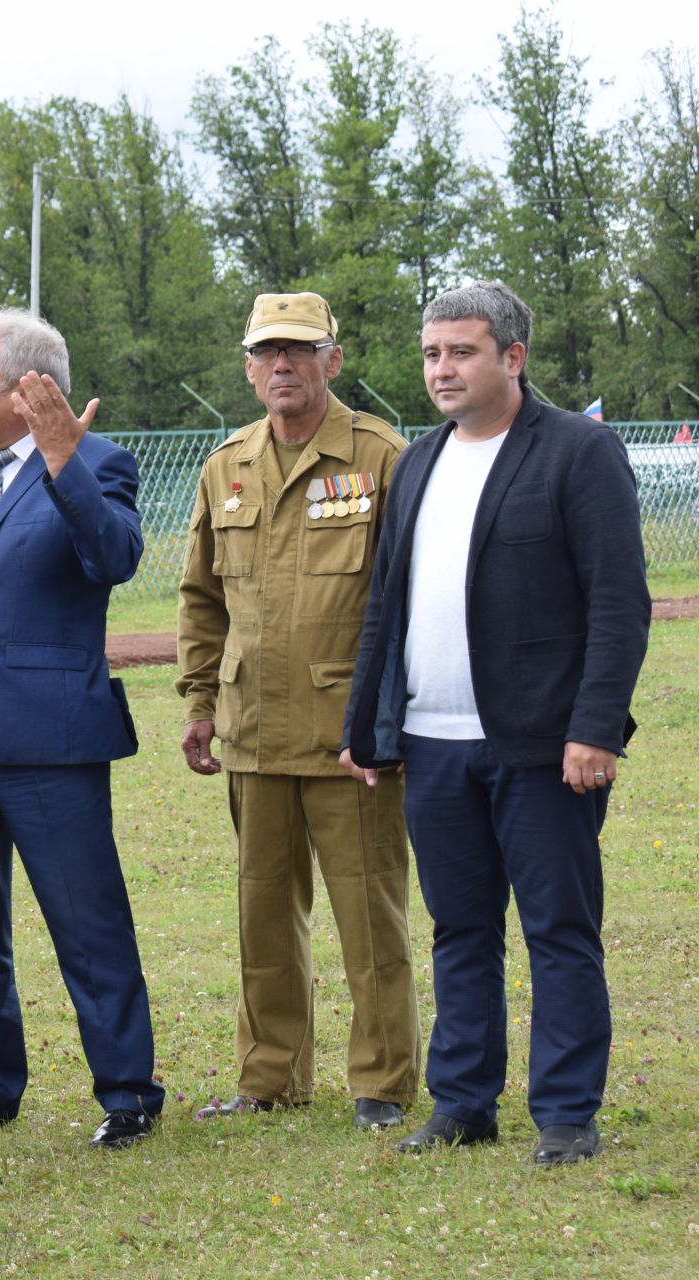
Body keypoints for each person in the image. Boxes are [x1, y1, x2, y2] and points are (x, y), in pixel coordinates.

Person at [342, 281, 650, 1164]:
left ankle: (565, 1116)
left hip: (544, 748)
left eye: (462, 351)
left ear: (512, 357)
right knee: (459, 929)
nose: (443, 368)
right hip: (434, 747)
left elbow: (619, 605)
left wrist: (594, 728)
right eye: (433, 352)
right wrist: (369, 723)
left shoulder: (579, 452)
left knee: (558, 930)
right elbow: (385, 604)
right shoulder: (418, 462)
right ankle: (464, 1104)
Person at [0, 307, 163, 1149]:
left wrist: (61, 460)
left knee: (87, 922)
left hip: (52, 734)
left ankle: (127, 1094)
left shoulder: (97, 464)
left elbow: (114, 557)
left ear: (28, 387)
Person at [175, 292, 419, 1129]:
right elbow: (202, 597)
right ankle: (268, 1079)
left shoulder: (382, 456)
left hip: (350, 737)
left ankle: (382, 1085)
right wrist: (200, 701)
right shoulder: (227, 463)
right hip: (252, 731)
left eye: (299, 350)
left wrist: (390, 721)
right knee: (263, 922)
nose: (282, 366)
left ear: (332, 361)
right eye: (266, 352)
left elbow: (413, 597)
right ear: (247, 366)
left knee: (369, 918)